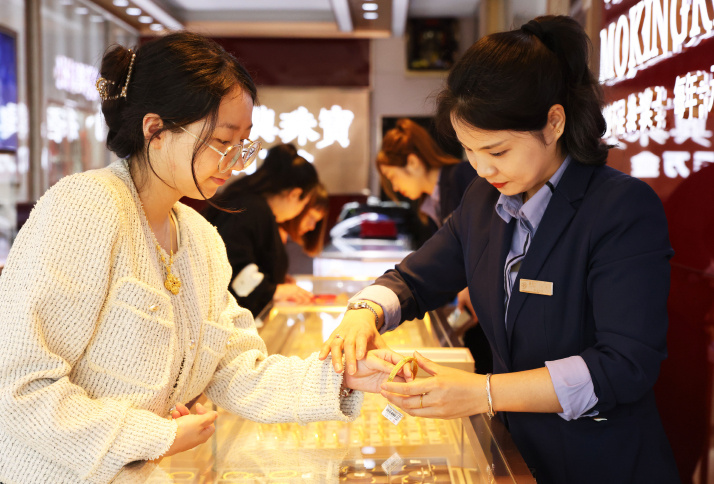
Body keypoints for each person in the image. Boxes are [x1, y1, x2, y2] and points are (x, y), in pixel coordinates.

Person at [0, 32, 407, 484]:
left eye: (243, 144)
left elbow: (236, 369)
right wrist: (156, 436)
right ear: (155, 130)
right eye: (221, 141)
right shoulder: (86, 207)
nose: (236, 162)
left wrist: (344, 377)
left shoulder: (199, 238)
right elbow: (19, 386)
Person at [319, 16, 680, 484]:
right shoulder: (484, 201)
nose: (482, 168)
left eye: (497, 151)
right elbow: (415, 279)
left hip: (601, 463)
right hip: (517, 456)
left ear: (554, 122)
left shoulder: (620, 209)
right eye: (468, 150)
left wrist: (484, 392)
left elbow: (623, 365)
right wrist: (364, 312)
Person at [378, 118, 490, 373]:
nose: (394, 187)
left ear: (413, 163)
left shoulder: (463, 178)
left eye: (392, 177)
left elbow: (483, 239)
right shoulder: (429, 206)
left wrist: (471, 283)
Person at [203, 143, 318, 316]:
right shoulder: (251, 208)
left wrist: (275, 282)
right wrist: (273, 290)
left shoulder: (252, 204)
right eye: (304, 203)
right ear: (294, 194)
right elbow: (232, 264)